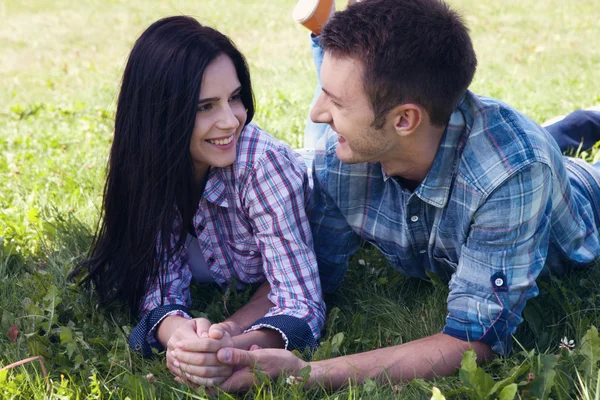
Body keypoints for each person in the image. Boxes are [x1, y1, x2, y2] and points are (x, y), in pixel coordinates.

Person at [209, 0, 600, 391]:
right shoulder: (341, 159)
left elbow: (473, 340)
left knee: (548, 155)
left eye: (336, 101)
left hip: (582, 195)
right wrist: (229, 336)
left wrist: (306, 372)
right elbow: (307, 278)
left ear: (404, 119)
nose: (315, 114)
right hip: (464, 147)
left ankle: (583, 122)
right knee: (537, 139)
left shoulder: (510, 177)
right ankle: (570, 126)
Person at [71, 16, 325, 387]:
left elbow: (301, 301)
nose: (230, 120)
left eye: (234, 98)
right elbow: (158, 291)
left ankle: (328, 34)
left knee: (329, 133)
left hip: (314, 176)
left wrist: (232, 348)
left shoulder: (264, 166)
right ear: (160, 115)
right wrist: (180, 339)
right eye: (205, 106)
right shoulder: (147, 169)